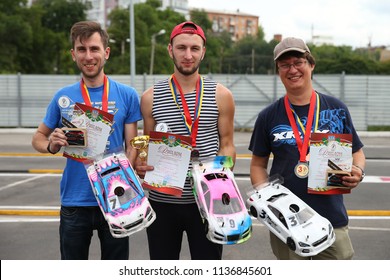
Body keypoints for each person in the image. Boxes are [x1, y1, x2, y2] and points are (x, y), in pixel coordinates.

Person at [31, 21, 142, 260]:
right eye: (82, 49)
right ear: (73, 55)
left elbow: (133, 145)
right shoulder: (63, 97)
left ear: (106, 53)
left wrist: (126, 177)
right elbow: (38, 138)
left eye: (94, 48)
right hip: (75, 201)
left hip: (116, 199)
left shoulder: (127, 95)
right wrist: (51, 144)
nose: (88, 56)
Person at [249, 37, 366, 260]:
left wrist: (358, 171)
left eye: (298, 62)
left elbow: (357, 153)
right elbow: (257, 164)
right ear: (278, 71)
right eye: (285, 65)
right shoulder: (268, 116)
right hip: (287, 223)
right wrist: (267, 200)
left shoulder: (336, 108)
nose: (292, 69)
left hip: (331, 219)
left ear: (311, 65)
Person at [135, 21, 236, 259]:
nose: (188, 55)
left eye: (194, 48)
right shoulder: (150, 98)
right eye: (181, 48)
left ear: (203, 51)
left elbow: (228, 144)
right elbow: (147, 147)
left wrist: (223, 172)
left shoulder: (221, 95)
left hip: (207, 202)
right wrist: (141, 164)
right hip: (163, 201)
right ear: (170, 49)